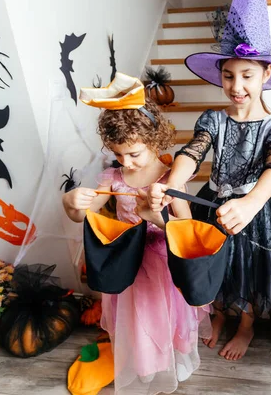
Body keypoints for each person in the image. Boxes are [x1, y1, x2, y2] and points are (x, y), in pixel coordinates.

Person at [147, 0, 271, 361]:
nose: (236, 86)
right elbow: (192, 152)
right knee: (213, 263)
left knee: (249, 271)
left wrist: (250, 204)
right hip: (212, 203)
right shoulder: (213, 120)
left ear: (266, 74)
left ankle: (246, 326)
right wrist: (172, 182)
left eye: (247, 76)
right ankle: (216, 315)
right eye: (228, 75)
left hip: (256, 212)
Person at [63, 73, 209, 394]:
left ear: (155, 142)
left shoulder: (171, 178)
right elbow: (82, 215)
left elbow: (185, 228)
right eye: (118, 154)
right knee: (136, 320)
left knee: (163, 317)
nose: (125, 163)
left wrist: (156, 218)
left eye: (134, 154)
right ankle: (145, 367)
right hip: (127, 263)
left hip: (161, 264)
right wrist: (71, 203)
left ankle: (171, 363)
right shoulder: (113, 177)